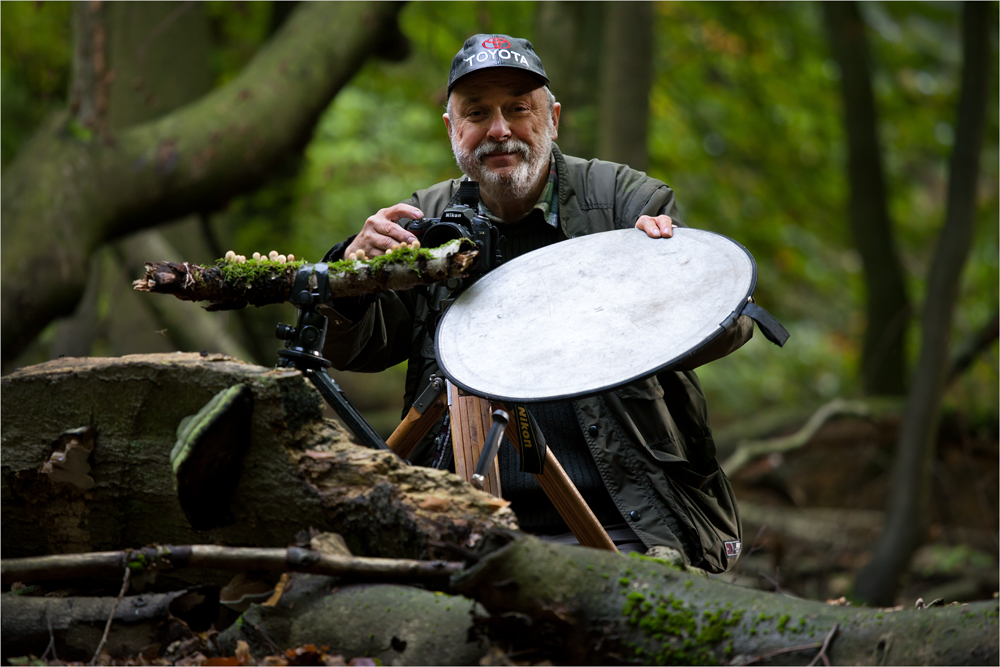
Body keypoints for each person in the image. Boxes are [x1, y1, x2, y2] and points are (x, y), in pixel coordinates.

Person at [319, 34, 754, 572]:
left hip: (632, 517)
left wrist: (665, 276)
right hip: (466, 522)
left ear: (553, 119)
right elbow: (354, 349)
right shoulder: (423, 223)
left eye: (518, 109)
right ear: (452, 130)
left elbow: (730, 327)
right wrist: (349, 278)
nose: (499, 130)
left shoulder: (624, 201)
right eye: (477, 113)